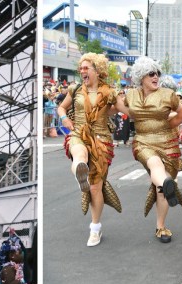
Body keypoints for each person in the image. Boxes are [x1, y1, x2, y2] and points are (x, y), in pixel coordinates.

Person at [116, 56, 182, 244]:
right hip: (143, 142)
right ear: (141, 77)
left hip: (169, 144)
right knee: (155, 164)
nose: (156, 77)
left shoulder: (167, 95)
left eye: (158, 73)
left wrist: (174, 120)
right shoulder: (130, 95)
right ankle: (167, 182)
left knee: (160, 191)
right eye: (151, 74)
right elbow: (119, 108)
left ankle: (160, 226)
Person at [57, 52, 120, 247]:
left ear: (97, 70)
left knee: (95, 188)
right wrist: (64, 118)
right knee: (79, 152)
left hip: (101, 139)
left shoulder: (109, 92)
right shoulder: (75, 89)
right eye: (81, 68)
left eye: (86, 68)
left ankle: (95, 229)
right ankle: (80, 171)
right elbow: (61, 108)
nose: (82, 71)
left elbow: (124, 110)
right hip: (78, 132)